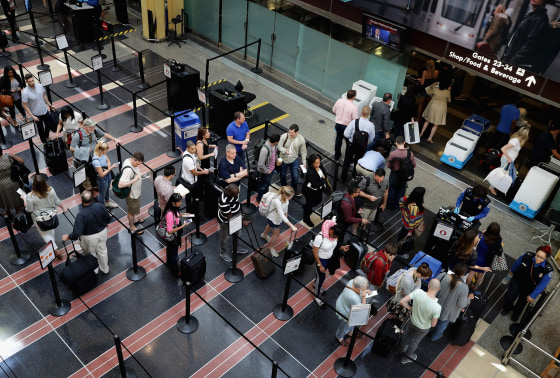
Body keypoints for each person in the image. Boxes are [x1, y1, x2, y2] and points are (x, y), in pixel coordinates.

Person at [62, 191, 112, 275]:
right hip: (102, 232)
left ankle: (94, 270)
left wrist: (68, 236)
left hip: (89, 238)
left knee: (90, 254)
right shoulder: (99, 206)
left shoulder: (81, 215)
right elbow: (108, 218)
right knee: (103, 250)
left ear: (82, 201)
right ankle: (105, 269)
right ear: (91, 199)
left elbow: (77, 233)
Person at [501, 246, 553, 322]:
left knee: (521, 302)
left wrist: (533, 295)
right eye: (537, 256)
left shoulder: (548, 270)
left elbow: (542, 284)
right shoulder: (527, 256)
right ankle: (507, 308)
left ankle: (516, 314)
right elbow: (517, 263)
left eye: (541, 258)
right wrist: (511, 272)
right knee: (509, 296)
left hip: (529, 286)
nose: (538, 259)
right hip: (517, 280)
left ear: (546, 258)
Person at [398, 279, 441, 364]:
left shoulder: (418, 292)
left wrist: (410, 308)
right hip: (423, 327)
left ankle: (400, 349)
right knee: (414, 342)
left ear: (428, 286)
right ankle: (405, 359)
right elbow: (433, 324)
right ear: (439, 289)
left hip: (412, 321)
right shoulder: (437, 307)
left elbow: (402, 301)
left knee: (405, 335)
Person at [70, 118, 121, 190]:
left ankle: (96, 185)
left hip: (95, 156)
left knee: (96, 172)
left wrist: (115, 139)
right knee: (87, 177)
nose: (94, 128)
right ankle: (88, 189)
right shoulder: (78, 135)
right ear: (86, 127)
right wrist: (85, 150)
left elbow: (104, 134)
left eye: (94, 126)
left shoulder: (94, 130)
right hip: (84, 159)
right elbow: (71, 148)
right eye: (92, 127)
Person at [501, 0, 549, 75]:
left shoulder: (539, 19)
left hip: (514, 65)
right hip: (510, 61)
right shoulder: (533, 15)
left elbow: (529, 45)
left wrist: (512, 63)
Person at [21, 174, 65, 253]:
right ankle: (51, 242)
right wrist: (64, 207)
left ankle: (55, 249)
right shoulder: (51, 189)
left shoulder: (30, 196)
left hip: (39, 219)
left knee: (44, 234)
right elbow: (57, 201)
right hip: (52, 215)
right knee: (51, 230)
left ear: (34, 184)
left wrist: (24, 199)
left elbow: (29, 209)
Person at [431, 263, 473, 341]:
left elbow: (432, 286)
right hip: (447, 313)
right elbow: (462, 304)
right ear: (464, 273)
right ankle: (435, 337)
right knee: (441, 325)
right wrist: (469, 298)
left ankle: (425, 332)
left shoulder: (443, 276)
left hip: (434, 305)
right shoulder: (464, 288)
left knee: (430, 320)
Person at [312, 220, 349, 307]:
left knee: (320, 277)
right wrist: (319, 265)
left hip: (330, 258)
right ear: (331, 230)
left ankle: (316, 284)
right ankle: (316, 296)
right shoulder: (320, 238)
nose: (335, 237)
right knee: (321, 278)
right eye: (335, 235)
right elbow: (314, 252)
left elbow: (334, 245)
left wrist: (342, 247)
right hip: (321, 260)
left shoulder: (333, 236)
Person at [489, 127, 530, 195]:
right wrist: (509, 158)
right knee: (501, 174)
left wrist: (516, 154)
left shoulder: (518, 140)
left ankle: (494, 186)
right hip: (507, 160)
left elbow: (514, 149)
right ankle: (492, 187)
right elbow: (503, 149)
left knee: (503, 174)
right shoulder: (515, 141)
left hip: (509, 160)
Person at [260, 186, 298, 257]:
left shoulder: (285, 198)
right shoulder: (277, 201)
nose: (292, 197)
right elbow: (281, 215)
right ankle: (271, 248)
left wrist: (286, 213)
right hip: (273, 218)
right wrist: (292, 226)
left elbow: (286, 206)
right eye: (291, 196)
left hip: (276, 218)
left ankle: (264, 234)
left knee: (270, 225)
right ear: (286, 195)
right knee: (276, 234)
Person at [160, 193, 191, 277]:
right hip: (173, 237)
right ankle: (175, 271)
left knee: (170, 250)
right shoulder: (169, 214)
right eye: (179, 202)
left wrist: (182, 215)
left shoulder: (173, 208)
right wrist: (182, 226)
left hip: (175, 236)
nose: (181, 203)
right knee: (173, 253)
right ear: (173, 203)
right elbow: (170, 231)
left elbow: (176, 216)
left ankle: (169, 262)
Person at [335, 275, 370, 346]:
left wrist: (365, 290)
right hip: (345, 312)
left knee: (352, 323)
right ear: (360, 288)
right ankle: (339, 337)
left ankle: (351, 332)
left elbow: (358, 291)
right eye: (366, 285)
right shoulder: (353, 298)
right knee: (345, 326)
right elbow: (362, 309)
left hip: (347, 305)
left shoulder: (352, 282)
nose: (368, 285)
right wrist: (364, 297)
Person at [342, 106, 375, 181]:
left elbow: (346, 134)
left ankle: (343, 177)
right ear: (368, 114)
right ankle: (354, 177)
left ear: (361, 112)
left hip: (351, 145)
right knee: (358, 162)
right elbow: (371, 138)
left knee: (347, 161)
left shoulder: (354, 122)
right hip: (362, 147)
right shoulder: (371, 125)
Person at [217, 184, 249, 262]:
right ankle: (223, 252)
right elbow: (230, 217)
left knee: (237, 233)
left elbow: (237, 203)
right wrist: (242, 221)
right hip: (226, 220)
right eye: (235, 195)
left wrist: (241, 214)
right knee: (225, 237)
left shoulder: (231, 190)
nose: (237, 195)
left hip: (236, 215)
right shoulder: (224, 202)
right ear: (229, 193)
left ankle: (236, 248)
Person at [467, 222, 503, 289]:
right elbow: (499, 251)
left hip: (476, 258)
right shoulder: (498, 242)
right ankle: (474, 288)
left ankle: (466, 285)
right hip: (486, 261)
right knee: (481, 275)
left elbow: (472, 245)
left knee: (472, 272)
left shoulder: (480, 236)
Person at [21, 73, 54, 143]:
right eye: (30, 81)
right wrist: (32, 116)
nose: (32, 83)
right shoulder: (25, 93)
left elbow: (44, 95)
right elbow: (25, 105)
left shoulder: (39, 86)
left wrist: (49, 104)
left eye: (32, 80)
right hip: (36, 113)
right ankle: (44, 141)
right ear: (26, 82)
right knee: (40, 129)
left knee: (48, 125)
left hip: (45, 110)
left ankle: (46, 136)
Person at [118, 151, 145, 234]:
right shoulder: (128, 170)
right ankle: (132, 226)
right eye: (137, 164)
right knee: (131, 210)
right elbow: (120, 184)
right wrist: (134, 180)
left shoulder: (128, 160)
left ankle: (134, 220)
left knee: (133, 210)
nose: (138, 165)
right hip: (132, 194)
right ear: (134, 159)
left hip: (135, 192)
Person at [386, 136, 416, 211]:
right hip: (404, 175)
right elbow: (414, 165)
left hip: (394, 175)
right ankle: (397, 206)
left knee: (392, 190)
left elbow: (388, 165)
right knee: (401, 190)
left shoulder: (393, 153)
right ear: (404, 142)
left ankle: (389, 207)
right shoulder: (410, 153)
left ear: (396, 143)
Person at [419, 78, 452, 144]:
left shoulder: (435, 89)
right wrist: (449, 91)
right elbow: (449, 100)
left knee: (427, 121)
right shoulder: (447, 92)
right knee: (435, 125)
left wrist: (432, 85)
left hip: (433, 106)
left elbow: (427, 91)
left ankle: (421, 134)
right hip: (441, 109)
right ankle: (430, 138)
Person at [278, 124, 307, 195]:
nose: (290, 134)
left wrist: (304, 161)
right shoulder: (284, 136)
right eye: (289, 132)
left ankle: (293, 190)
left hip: (294, 159)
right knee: (283, 175)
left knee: (295, 176)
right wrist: (285, 151)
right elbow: (279, 146)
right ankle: (283, 189)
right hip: (283, 159)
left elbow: (303, 151)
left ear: (297, 132)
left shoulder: (301, 139)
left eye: (292, 133)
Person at [302, 154, 328, 228]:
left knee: (319, 200)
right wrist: (322, 179)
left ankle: (307, 207)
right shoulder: (310, 172)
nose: (318, 164)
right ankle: (306, 218)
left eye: (319, 162)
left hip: (318, 190)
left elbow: (325, 173)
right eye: (316, 163)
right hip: (309, 191)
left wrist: (323, 178)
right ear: (312, 163)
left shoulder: (320, 165)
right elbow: (315, 184)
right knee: (309, 204)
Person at [92, 142, 119, 209]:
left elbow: (108, 161)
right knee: (101, 194)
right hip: (102, 179)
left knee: (107, 189)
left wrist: (108, 169)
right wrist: (111, 168)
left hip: (107, 174)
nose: (107, 151)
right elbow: (101, 175)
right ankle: (102, 209)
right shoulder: (96, 161)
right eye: (106, 150)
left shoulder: (103, 154)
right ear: (101, 150)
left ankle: (107, 202)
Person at [332, 89, 358, 161]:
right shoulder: (353, 107)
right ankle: (348, 158)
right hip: (347, 127)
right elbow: (355, 119)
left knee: (338, 140)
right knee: (348, 142)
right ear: (353, 97)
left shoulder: (339, 101)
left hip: (338, 124)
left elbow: (334, 110)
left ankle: (336, 155)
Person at [256, 134, 280, 203]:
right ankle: (260, 198)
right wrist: (267, 171)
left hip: (271, 169)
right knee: (262, 185)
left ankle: (265, 196)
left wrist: (276, 159)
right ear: (276, 142)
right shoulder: (265, 150)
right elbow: (260, 164)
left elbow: (274, 153)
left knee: (266, 184)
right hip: (266, 171)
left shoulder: (273, 146)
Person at [0, 148, 24, 215]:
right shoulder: (8, 156)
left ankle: (8, 213)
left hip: (1, 187)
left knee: (5, 200)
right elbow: (22, 161)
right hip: (14, 182)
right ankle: (18, 214)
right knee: (17, 201)